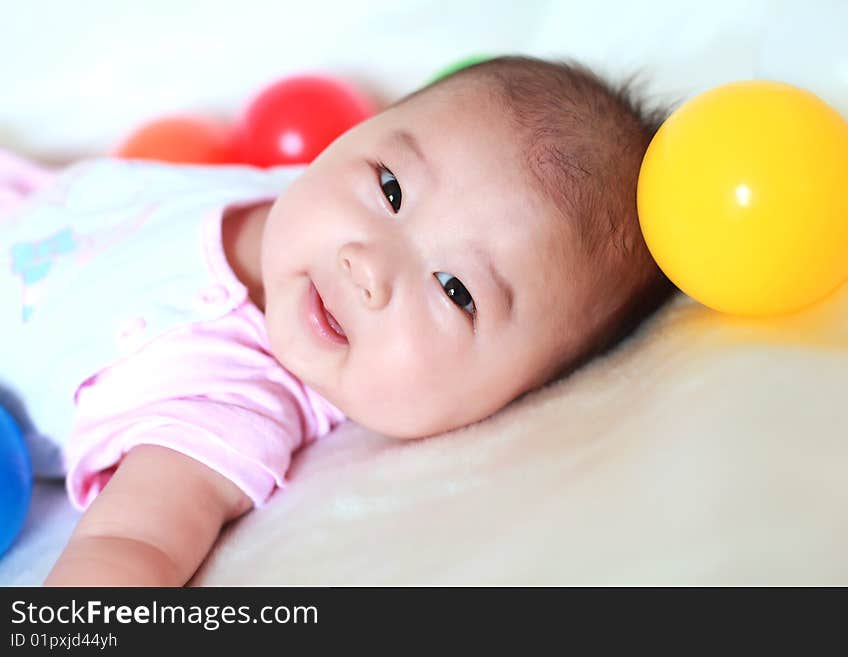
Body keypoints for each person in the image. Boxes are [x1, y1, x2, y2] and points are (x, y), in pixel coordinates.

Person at [0, 55, 676, 585]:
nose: (369, 263)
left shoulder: (221, 404)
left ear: (512, 399)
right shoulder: (296, 187)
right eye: (390, 187)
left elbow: (129, 548)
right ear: (358, 136)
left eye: (455, 290)